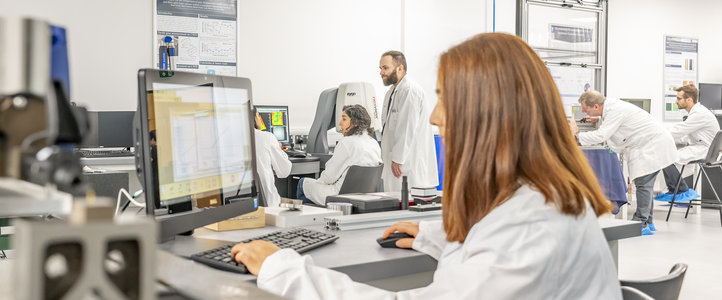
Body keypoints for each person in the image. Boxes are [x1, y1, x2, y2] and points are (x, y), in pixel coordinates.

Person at [231, 33, 621, 299]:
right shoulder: (542, 198)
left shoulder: (528, 229)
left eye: (446, 98)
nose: (436, 117)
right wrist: (444, 237)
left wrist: (283, 270)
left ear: (493, 113)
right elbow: (488, 263)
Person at [569, 91, 678, 235]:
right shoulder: (612, 108)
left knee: (643, 185)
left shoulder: (614, 110)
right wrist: (599, 118)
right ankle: (648, 222)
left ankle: (640, 222)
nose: (583, 111)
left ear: (596, 106)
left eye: (585, 108)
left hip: (652, 146)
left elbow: (602, 135)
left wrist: (576, 135)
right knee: (646, 186)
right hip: (652, 144)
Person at [377, 51, 439, 195]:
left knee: (406, 204)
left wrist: (398, 159)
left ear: (399, 68)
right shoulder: (392, 92)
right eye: (380, 68)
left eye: (385, 68)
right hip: (394, 164)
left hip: (406, 165)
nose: (381, 72)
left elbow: (407, 127)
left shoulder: (409, 91)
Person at [296, 104, 381, 206]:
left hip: (340, 197)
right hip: (364, 197)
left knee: (302, 183)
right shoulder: (374, 143)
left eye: (344, 119)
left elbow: (328, 178)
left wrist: (319, 181)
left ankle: (313, 218)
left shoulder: (346, 143)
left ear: (355, 122)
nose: (340, 123)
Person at [654, 84, 720, 202]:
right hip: (702, 147)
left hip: (706, 150)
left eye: (679, 98)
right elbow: (686, 136)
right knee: (666, 155)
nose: (676, 101)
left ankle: (681, 190)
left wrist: (655, 134)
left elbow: (678, 131)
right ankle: (674, 189)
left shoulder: (699, 114)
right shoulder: (696, 113)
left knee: (667, 157)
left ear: (689, 100)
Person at [254, 111, 292, 207]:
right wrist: (279, 150)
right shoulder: (266, 137)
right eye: (258, 116)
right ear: (254, 118)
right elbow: (284, 172)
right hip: (269, 206)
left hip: (240, 208)